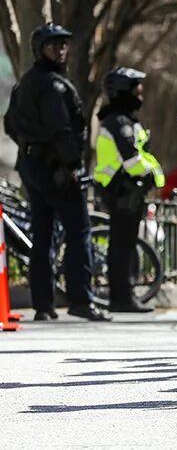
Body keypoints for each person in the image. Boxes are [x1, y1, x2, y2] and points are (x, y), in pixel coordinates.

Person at [3, 23, 110, 322]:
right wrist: (73, 166)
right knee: (78, 232)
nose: (61, 50)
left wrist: (31, 148)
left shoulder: (25, 84)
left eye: (63, 45)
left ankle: (43, 305)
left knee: (43, 233)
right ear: (40, 50)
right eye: (53, 46)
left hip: (32, 168)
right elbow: (62, 131)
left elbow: (10, 125)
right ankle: (81, 301)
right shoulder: (53, 86)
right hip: (57, 171)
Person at [94, 67, 165, 313]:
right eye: (136, 88)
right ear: (124, 91)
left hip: (123, 190)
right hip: (122, 190)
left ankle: (123, 297)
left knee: (123, 244)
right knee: (122, 246)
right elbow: (131, 160)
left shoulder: (120, 119)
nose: (140, 94)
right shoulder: (118, 122)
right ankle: (123, 298)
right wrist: (149, 175)